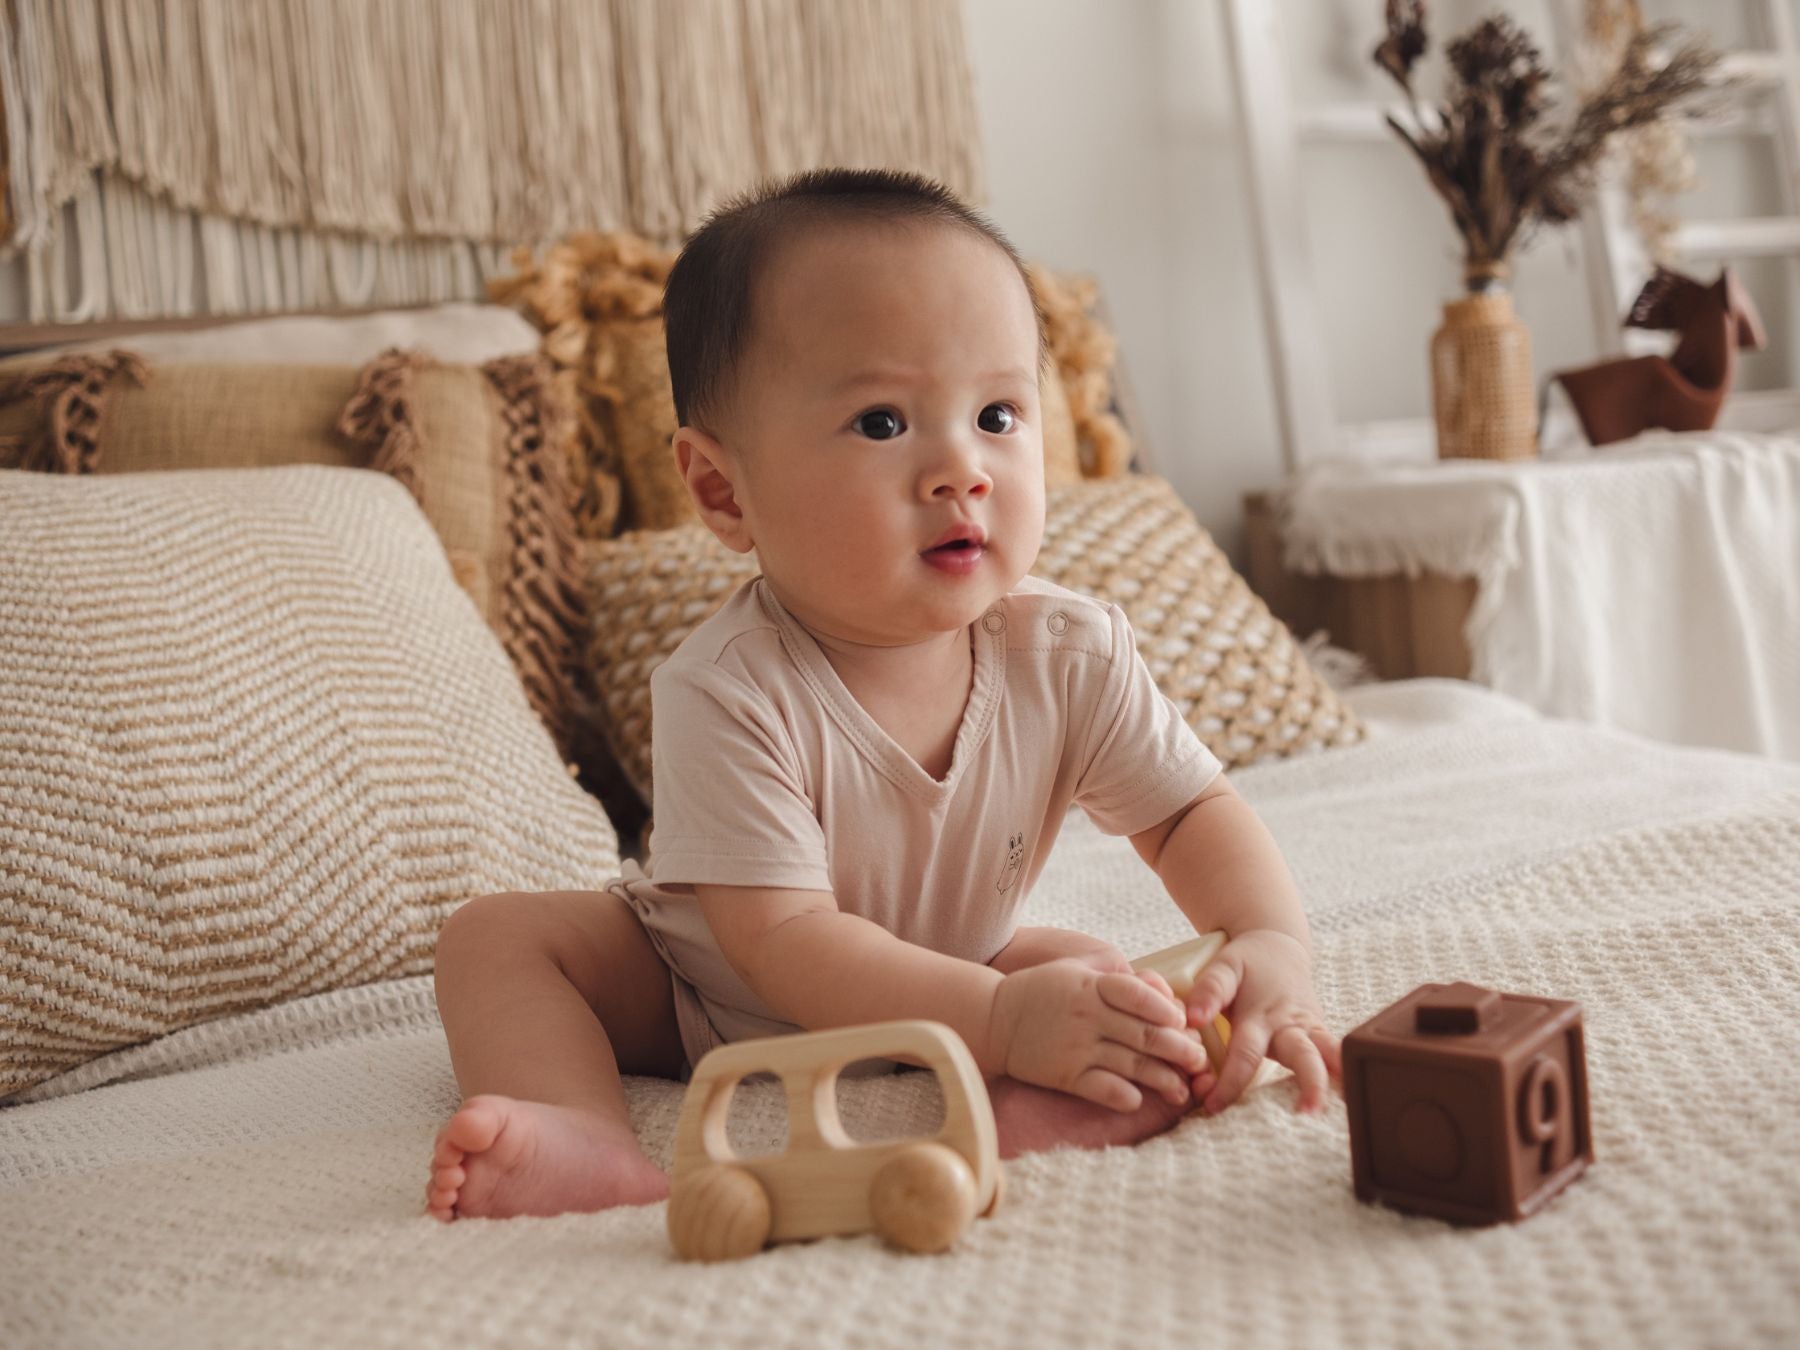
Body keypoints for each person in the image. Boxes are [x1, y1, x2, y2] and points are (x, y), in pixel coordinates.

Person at [424, 168, 1340, 1222]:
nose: (963, 470)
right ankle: (578, 1130)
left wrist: (1269, 943)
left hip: (959, 968)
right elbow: (783, 943)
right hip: (709, 998)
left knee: (1104, 985)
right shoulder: (727, 687)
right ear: (723, 490)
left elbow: (1189, 816)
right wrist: (1000, 1021)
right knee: (495, 940)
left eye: (997, 413)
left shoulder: (1069, 651)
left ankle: (1036, 1107)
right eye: (881, 423)